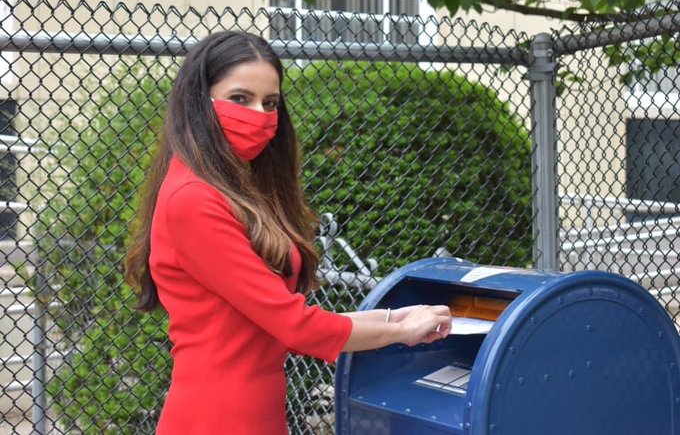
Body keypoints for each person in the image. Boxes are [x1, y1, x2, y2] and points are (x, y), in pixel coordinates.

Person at [124, 30, 452, 435]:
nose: (259, 115)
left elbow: (275, 324)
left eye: (271, 103)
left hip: (250, 412)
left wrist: (390, 317)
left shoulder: (226, 190)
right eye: (240, 99)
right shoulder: (194, 200)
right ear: (198, 104)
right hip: (217, 418)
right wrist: (400, 329)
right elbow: (294, 325)